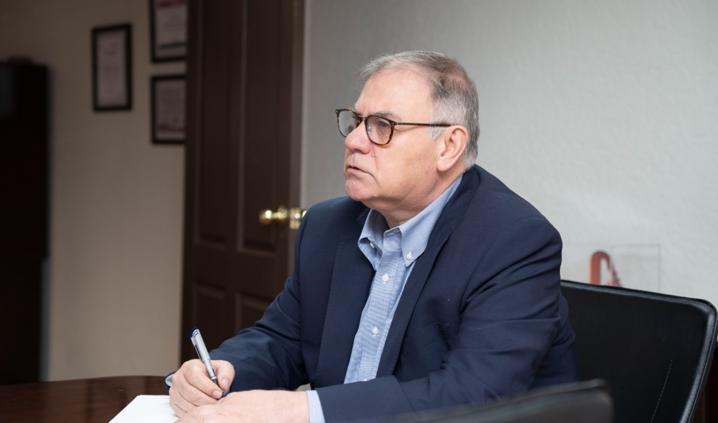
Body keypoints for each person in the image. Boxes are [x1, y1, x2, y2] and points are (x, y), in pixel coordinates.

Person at [169, 50, 577, 423]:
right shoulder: (328, 225)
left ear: (449, 146)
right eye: (356, 121)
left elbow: (473, 394)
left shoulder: (515, 242)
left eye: (383, 126)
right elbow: (283, 339)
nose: (353, 141)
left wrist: (300, 410)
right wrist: (224, 370)